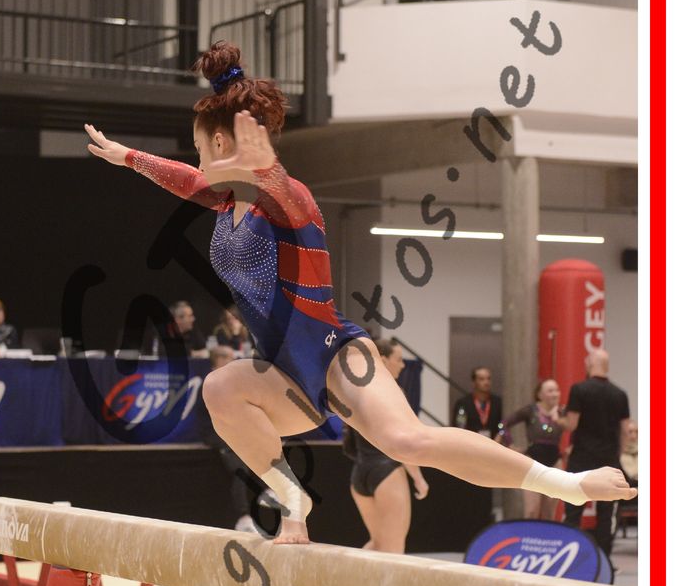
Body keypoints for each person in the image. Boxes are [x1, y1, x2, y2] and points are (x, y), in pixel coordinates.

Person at [84, 40, 635, 545]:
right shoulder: (227, 200)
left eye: (199, 146)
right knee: (220, 388)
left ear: (222, 141)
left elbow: (284, 193)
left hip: (336, 357)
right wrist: (127, 157)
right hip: (283, 375)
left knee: (408, 442)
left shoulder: (289, 199)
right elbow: (187, 180)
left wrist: (266, 166)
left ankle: (566, 484)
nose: (197, 158)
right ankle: (293, 501)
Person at [343, 338, 428, 553]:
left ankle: (348, 576)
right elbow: (403, 441)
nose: (403, 365)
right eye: (398, 359)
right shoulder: (392, 391)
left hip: (359, 473)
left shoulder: (355, 388)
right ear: (382, 360)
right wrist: (418, 477)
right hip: (386, 472)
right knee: (393, 551)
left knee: (378, 544)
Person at [559, 349, 633, 559]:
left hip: (582, 457)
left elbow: (571, 424)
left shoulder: (579, 389)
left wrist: (558, 419)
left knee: (573, 509)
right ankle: (603, 560)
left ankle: (569, 558)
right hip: (609, 459)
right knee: (606, 513)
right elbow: (625, 430)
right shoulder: (620, 394)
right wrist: (617, 454)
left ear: (590, 363)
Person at [198, 344, 278, 533]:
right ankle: (243, 517)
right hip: (216, 434)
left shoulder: (232, 383)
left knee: (261, 450)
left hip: (233, 431)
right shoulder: (210, 383)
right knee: (240, 469)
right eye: (227, 357)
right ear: (217, 360)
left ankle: (267, 489)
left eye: (232, 357)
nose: (232, 361)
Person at [497, 378, 564, 520]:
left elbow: (576, 426)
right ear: (540, 394)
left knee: (549, 514)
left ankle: (547, 535)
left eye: (557, 390)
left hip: (555, 462)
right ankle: (528, 534)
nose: (555, 394)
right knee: (532, 511)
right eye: (550, 391)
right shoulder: (531, 411)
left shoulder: (562, 412)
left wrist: (572, 446)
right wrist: (510, 445)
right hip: (533, 461)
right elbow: (503, 424)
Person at [452, 367, 503, 437]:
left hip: (493, 441)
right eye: (482, 379)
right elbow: (459, 426)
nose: (486, 382)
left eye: (488, 379)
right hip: (470, 441)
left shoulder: (498, 402)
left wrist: (499, 436)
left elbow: (504, 424)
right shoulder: (463, 403)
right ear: (474, 382)